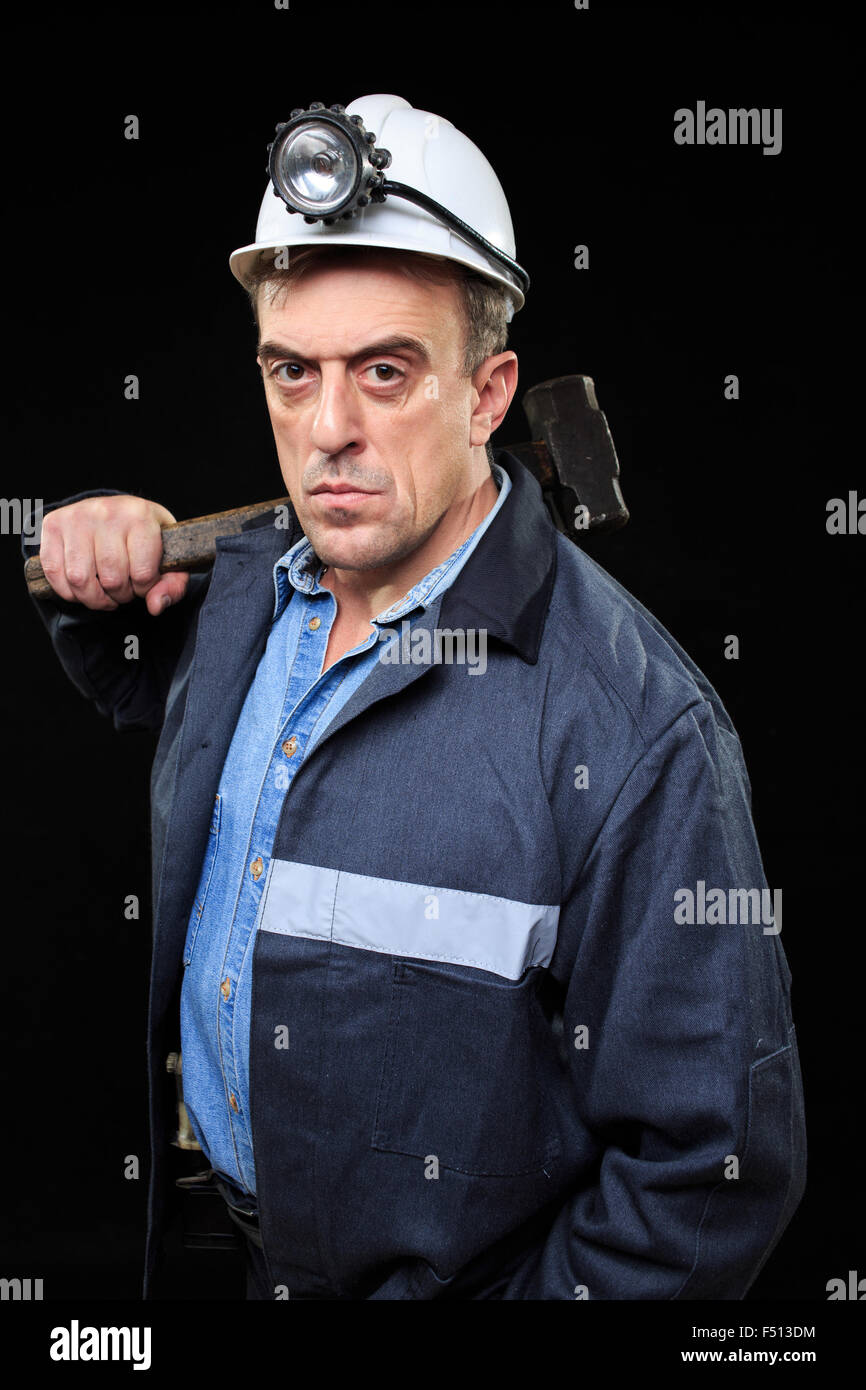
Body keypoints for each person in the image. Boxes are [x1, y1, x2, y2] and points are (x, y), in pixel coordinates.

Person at [23, 94, 805, 1300]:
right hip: (197, 1255)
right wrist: (94, 571)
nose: (328, 430)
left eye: (385, 373)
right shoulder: (237, 601)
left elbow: (708, 1170)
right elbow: (152, 706)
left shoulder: (633, 727)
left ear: (488, 394)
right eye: (293, 373)